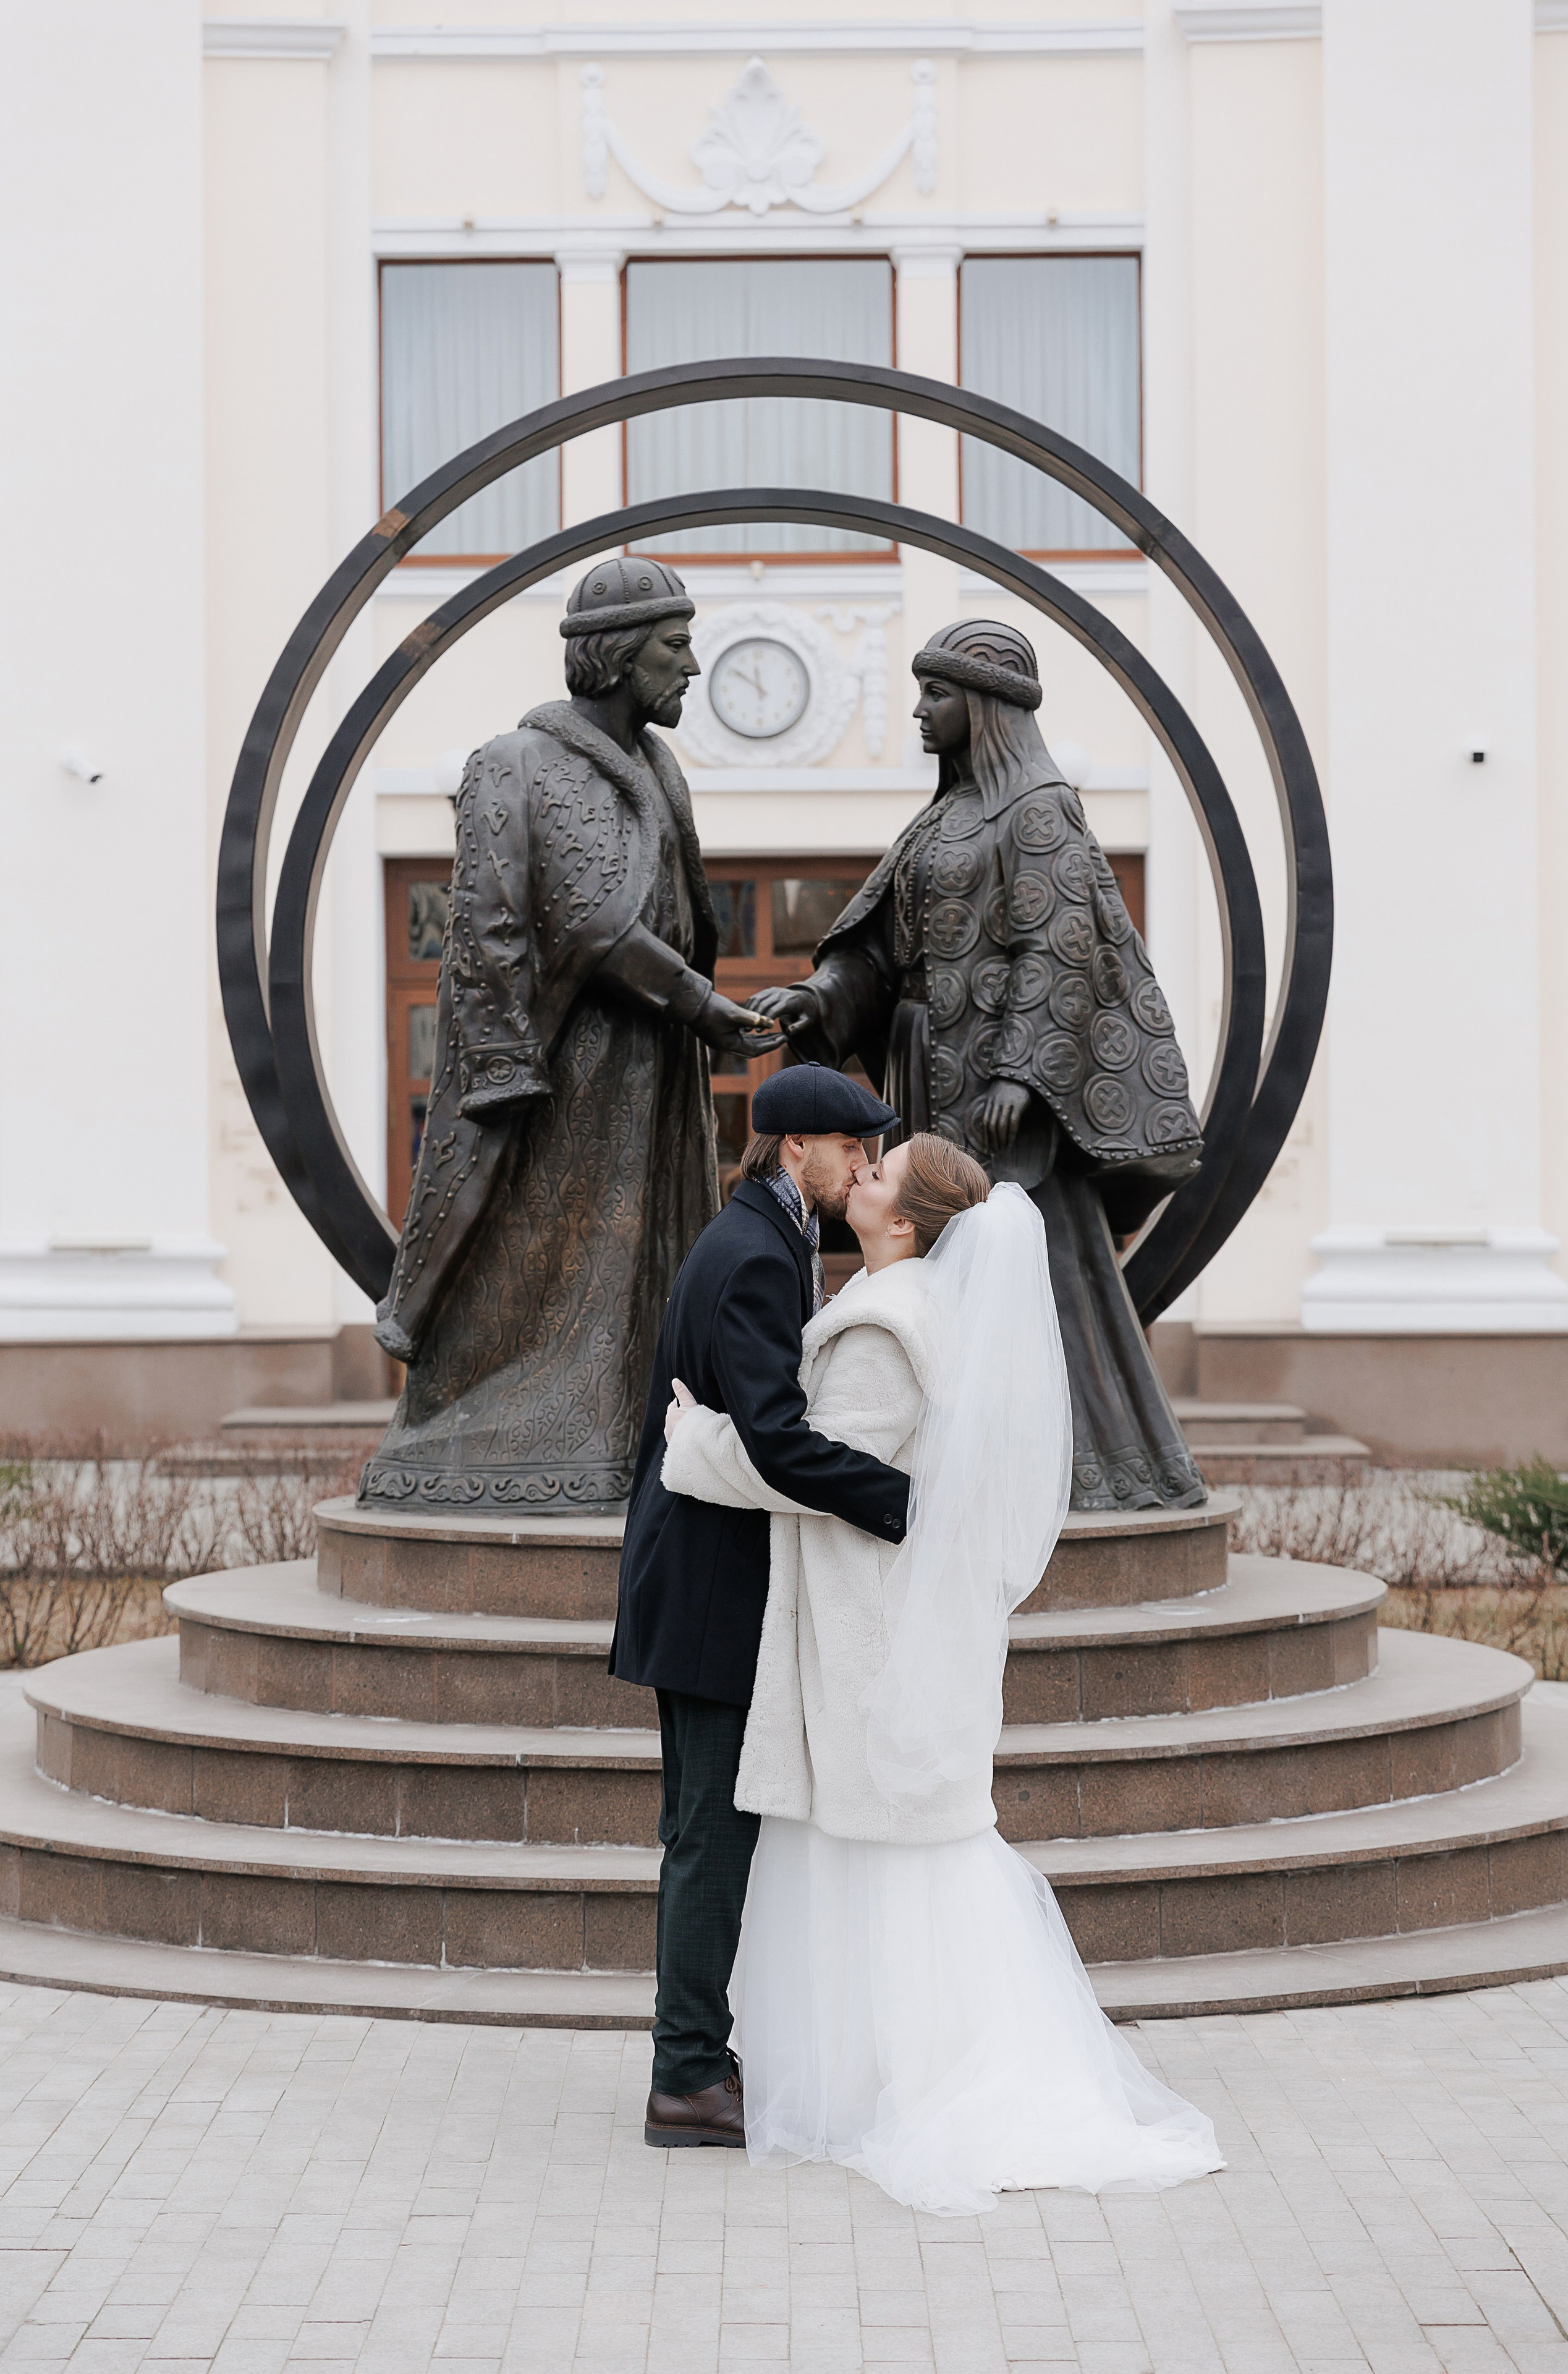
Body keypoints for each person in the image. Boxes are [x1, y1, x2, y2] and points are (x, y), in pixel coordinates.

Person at [661, 1134, 1224, 2214]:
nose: (859, 1174)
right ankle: (884, 2075)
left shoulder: (886, 1325)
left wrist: (695, 1443)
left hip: (871, 1635)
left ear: (908, 1222)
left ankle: (914, 2081)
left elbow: (816, 1471)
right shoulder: (911, 1307)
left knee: (893, 1859)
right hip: (881, 1621)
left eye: (879, 1174)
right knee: (888, 1856)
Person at [748, 618, 1208, 1515]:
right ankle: (962, 1459)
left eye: (938, 693)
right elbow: (882, 952)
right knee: (949, 1263)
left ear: (989, 705)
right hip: (932, 1069)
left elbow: (1060, 945)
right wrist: (824, 997)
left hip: (1005, 1099)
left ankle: (1095, 1469)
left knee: (1034, 1267)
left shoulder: (1039, 805)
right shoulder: (944, 818)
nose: (920, 710)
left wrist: (1021, 1074)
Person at [362, 558, 777, 1512]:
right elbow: (577, 921)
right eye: (676, 646)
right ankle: (511, 1436)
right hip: (565, 1069)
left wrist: (699, 1012)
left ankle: (645, 1428)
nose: (693, 666)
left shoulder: (656, 767)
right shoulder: (519, 761)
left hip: (653, 1063)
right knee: (551, 1256)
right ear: (619, 653)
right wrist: (702, 1003)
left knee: (644, 1256)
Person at [612, 1061, 912, 2150]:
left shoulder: (769, 1239)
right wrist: (906, 1503)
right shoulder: (751, 1255)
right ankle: (686, 2076)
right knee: (707, 1838)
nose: (866, 1166)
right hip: (706, 1594)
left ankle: (692, 2054)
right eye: (854, 1150)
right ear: (796, 1149)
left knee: (701, 1831)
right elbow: (778, 1439)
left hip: (704, 1582)